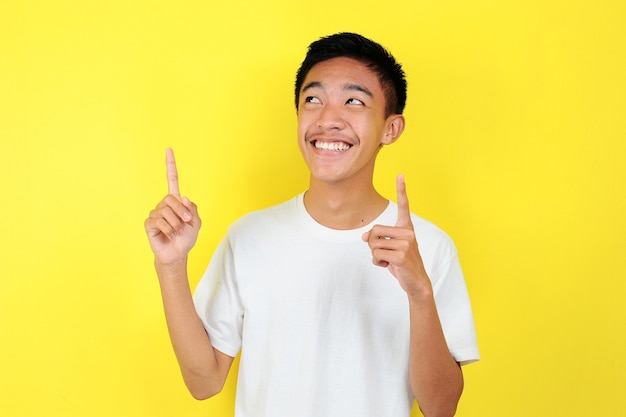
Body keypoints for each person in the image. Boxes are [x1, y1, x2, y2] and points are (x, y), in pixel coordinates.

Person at [145, 32, 479, 417]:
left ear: (391, 128)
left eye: (354, 101)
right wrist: (170, 266)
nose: (328, 119)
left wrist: (420, 294)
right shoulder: (248, 237)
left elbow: (441, 408)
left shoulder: (428, 247)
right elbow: (204, 383)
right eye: (313, 100)